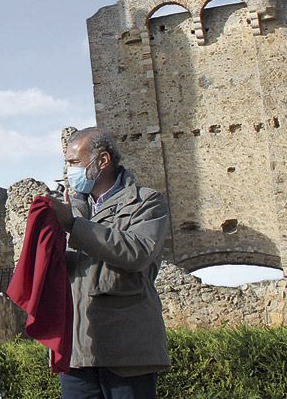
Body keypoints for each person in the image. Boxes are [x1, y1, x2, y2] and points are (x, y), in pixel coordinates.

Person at [44, 127, 171, 399]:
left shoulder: (145, 202)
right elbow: (71, 269)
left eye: (75, 162)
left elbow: (138, 251)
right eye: (66, 162)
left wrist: (74, 226)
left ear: (102, 161)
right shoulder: (72, 207)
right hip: (78, 353)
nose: (69, 171)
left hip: (127, 353)